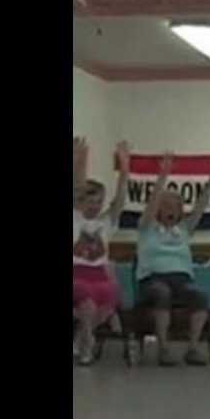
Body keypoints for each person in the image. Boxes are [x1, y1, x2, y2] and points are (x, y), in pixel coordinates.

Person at [135, 152, 210, 367]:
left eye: (176, 207)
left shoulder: (183, 229)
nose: (172, 211)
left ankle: (192, 348)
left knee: (200, 296)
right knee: (163, 293)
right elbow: (152, 203)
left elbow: (200, 207)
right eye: (167, 207)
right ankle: (163, 348)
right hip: (152, 280)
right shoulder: (147, 228)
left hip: (181, 280)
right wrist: (163, 174)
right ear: (159, 210)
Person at [72, 137, 130, 366]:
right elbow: (78, 186)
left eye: (99, 202)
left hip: (100, 275)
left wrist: (125, 170)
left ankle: (79, 339)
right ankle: (87, 346)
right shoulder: (75, 219)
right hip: (77, 273)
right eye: (90, 202)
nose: (94, 206)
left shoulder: (107, 222)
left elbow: (120, 201)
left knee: (108, 300)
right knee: (87, 303)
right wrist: (79, 161)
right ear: (81, 202)